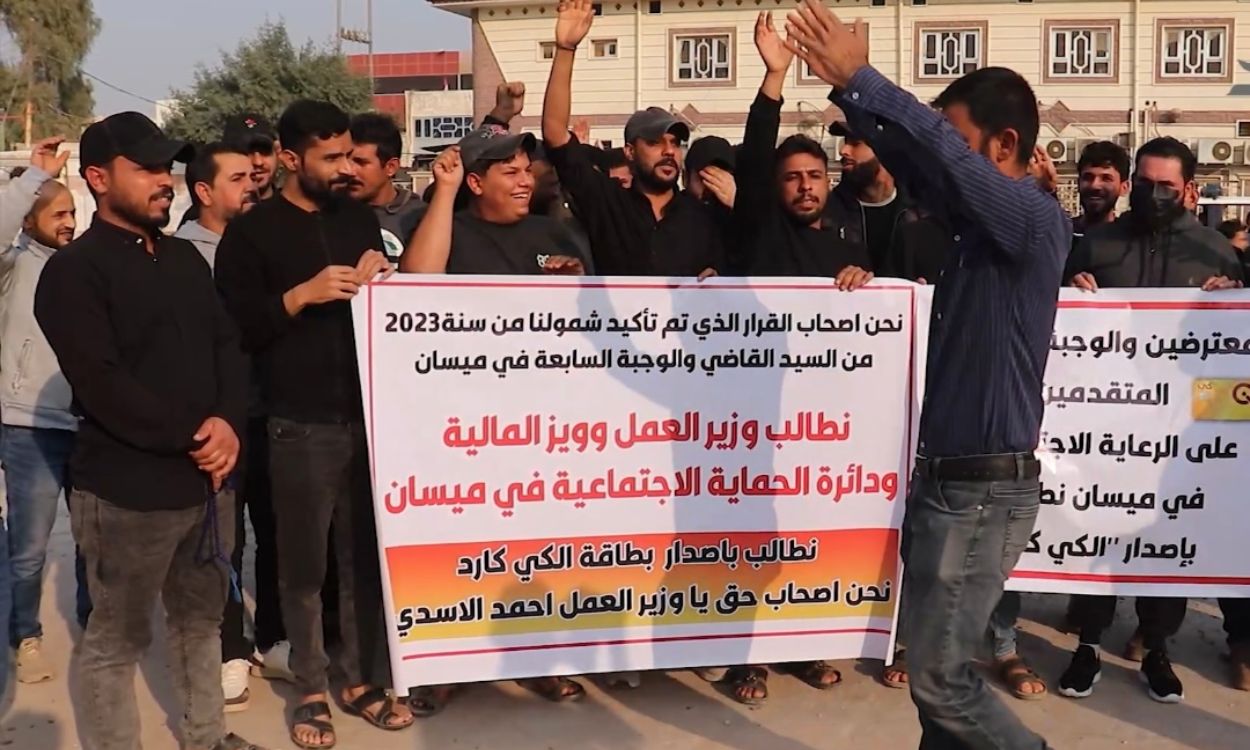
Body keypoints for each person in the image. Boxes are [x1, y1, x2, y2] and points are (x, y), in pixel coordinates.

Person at [787, 3, 1069, 748]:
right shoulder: (977, 231)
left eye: (965, 141)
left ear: (1006, 145)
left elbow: (944, 157)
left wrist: (867, 77)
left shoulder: (1033, 221)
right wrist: (848, 92)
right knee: (940, 695)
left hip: (979, 490)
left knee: (942, 681)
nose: (953, 159)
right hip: (950, 484)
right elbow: (920, 161)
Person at [33, 112, 260, 750]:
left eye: (166, 167)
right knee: (117, 640)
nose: (164, 180)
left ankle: (207, 738)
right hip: (126, 492)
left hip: (207, 485)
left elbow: (227, 347)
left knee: (200, 623)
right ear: (99, 178)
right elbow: (102, 383)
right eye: (146, 168)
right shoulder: (74, 271)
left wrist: (228, 425)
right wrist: (198, 435)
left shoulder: (184, 257)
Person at [215, 100, 413, 749]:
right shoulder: (252, 233)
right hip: (295, 423)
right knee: (302, 569)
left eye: (351, 155)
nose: (347, 168)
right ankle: (309, 688)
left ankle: (358, 680)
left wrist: (381, 280)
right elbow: (235, 330)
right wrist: (301, 296)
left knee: (360, 561)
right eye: (332, 158)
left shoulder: (356, 216)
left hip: (365, 416)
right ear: (290, 158)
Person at [1061, 136, 1242, 704]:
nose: (1154, 194)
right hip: (1105, 421)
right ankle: (1088, 642)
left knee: (1170, 533)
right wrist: (1074, 291)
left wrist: (1232, 300)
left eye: (1167, 185)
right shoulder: (1098, 244)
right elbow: (1061, 320)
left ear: (1188, 189)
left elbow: (1231, 352)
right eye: (1145, 183)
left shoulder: (1215, 252)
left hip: (1180, 431)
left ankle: (1157, 646)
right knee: (1097, 527)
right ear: (1131, 181)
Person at [174, 140, 277, 712]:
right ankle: (228, 647)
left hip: (274, 411)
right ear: (204, 191)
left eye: (253, 176)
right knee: (223, 542)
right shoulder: (180, 256)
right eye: (237, 178)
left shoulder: (266, 240)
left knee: (277, 532)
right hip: (219, 422)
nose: (252, 184)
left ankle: (275, 638)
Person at [542, 0, 723, 278]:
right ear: (629, 152)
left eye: (675, 143)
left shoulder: (701, 216)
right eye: (654, 142)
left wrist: (718, 280)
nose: (669, 151)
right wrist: (566, 49)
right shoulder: (607, 203)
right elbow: (555, 132)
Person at [0, 137, 74, 685]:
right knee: (29, 549)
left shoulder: (85, 264)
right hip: (29, 426)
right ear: (29, 220)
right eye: (59, 214)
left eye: (73, 212)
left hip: (90, 423)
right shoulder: (14, 265)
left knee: (97, 543)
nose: (70, 222)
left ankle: (96, 626)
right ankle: (25, 635)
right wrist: (32, 179)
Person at [828, 121, 947, 282]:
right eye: (845, 142)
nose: (843, 151)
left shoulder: (923, 214)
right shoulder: (829, 212)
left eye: (856, 143)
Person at [349, 112, 425, 264]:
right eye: (346, 160)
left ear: (391, 167)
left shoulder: (422, 217)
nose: (349, 170)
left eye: (361, 162)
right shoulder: (329, 213)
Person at [1072, 141, 1131, 245]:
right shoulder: (1061, 234)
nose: (1095, 185)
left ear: (1124, 188)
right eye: (1088, 177)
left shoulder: (1129, 242)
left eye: (1106, 178)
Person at [224, 113, 281, 201]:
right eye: (246, 152)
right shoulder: (213, 209)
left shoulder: (297, 207)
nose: (258, 162)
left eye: (264, 150)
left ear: (277, 152)